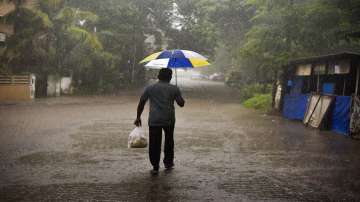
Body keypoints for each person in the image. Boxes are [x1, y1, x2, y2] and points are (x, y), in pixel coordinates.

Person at [134, 68, 185, 175]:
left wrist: (138, 117)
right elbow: (181, 103)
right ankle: (168, 163)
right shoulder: (174, 88)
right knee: (169, 141)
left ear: (158, 76)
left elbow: (141, 102)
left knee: (154, 143)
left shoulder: (150, 88)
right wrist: (177, 92)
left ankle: (155, 166)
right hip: (169, 119)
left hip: (154, 119)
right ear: (170, 77)